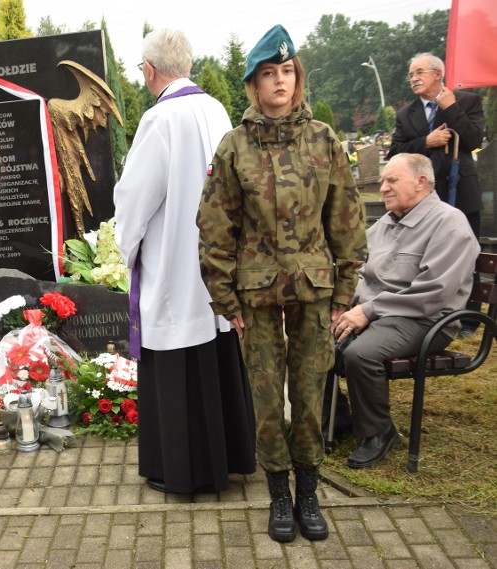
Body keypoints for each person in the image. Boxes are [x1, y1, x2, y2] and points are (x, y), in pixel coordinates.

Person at [197, 25, 367, 543]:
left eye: (287, 71)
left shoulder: (323, 140)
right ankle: (277, 494)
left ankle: (309, 491)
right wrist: (226, 299)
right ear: (253, 84)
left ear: (298, 77)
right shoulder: (234, 147)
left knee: (311, 392)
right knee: (268, 398)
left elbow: (346, 218)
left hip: (314, 292)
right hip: (257, 295)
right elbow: (215, 226)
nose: (279, 82)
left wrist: (344, 293)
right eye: (268, 73)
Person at [114, 28, 256, 496]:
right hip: (213, 260)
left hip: (174, 261)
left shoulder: (160, 120)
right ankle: (227, 457)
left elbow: (136, 196)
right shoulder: (216, 109)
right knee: (214, 352)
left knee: (177, 355)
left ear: (150, 71)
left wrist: (125, 243)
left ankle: (180, 469)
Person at [333, 153, 479, 469]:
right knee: (314, 339)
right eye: (383, 180)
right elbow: (360, 272)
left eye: (391, 180)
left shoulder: (449, 223)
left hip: (426, 319)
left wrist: (368, 310)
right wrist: (342, 305)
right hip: (377, 313)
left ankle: (380, 432)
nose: (383, 187)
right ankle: (339, 419)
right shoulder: (385, 224)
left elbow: (433, 292)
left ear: (421, 182)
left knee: (360, 354)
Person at [387, 52, 484, 336]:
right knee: (426, 256)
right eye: (411, 75)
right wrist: (425, 142)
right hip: (424, 198)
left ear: (437, 74)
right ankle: (430, 313)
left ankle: (468, 319)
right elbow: (395, 152)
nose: (414, 78)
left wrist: (451, 109)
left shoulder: (467, 102)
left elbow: (474, 140)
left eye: (419, 73)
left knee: (469, 254)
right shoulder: (407, 114)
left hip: (461, 192)